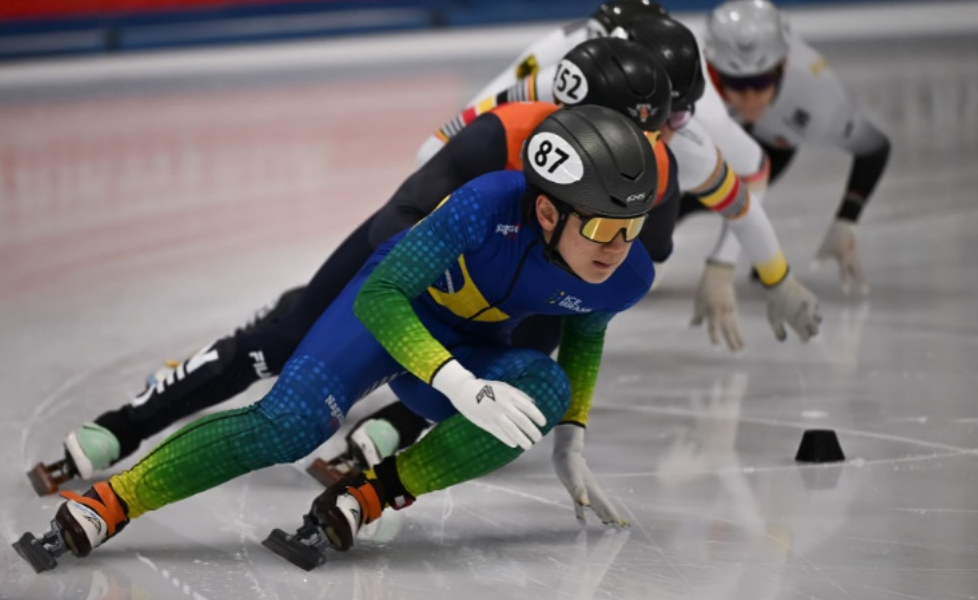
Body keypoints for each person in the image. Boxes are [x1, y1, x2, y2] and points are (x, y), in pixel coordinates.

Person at [14, 104, 661, 573]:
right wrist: (458, 383)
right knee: (288, 426)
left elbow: (586, 330)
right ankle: (115, 497)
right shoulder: (484, 204)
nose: (618, 248)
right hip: (387, 314)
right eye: (603, 228)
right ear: (547, 211)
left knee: (545, 388)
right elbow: (381, 296)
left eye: (631, 227)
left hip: (465, 343)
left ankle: (373, 491)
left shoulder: (627, 271)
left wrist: (570, 438)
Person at [26, 36, 682, 496]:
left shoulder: (653, 170)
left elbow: (615, 275)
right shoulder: (499, 134)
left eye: (653, 142)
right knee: (282, 344)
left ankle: (393, 423)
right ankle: (127, 423)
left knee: (526, 343)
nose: (635, 160)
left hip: (507, 281)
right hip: (420, 254)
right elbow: (402, 218)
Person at [417, 2, 816, 354]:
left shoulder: (686, 140)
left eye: (675, 117)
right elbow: (435, 151)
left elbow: (752, 177)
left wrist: (740, 270)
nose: (658, 136)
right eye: (647, 121)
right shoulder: (554, 82)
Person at [702, 0, 891, 296]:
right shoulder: (695, 80)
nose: (750, 98)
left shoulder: (820, 102)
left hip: (773, 141)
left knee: (715, 193)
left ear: (782, 68)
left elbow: (875, 148)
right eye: (736, 84)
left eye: (761, 81)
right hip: (740, 132)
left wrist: (847, 219)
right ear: (714, 71)